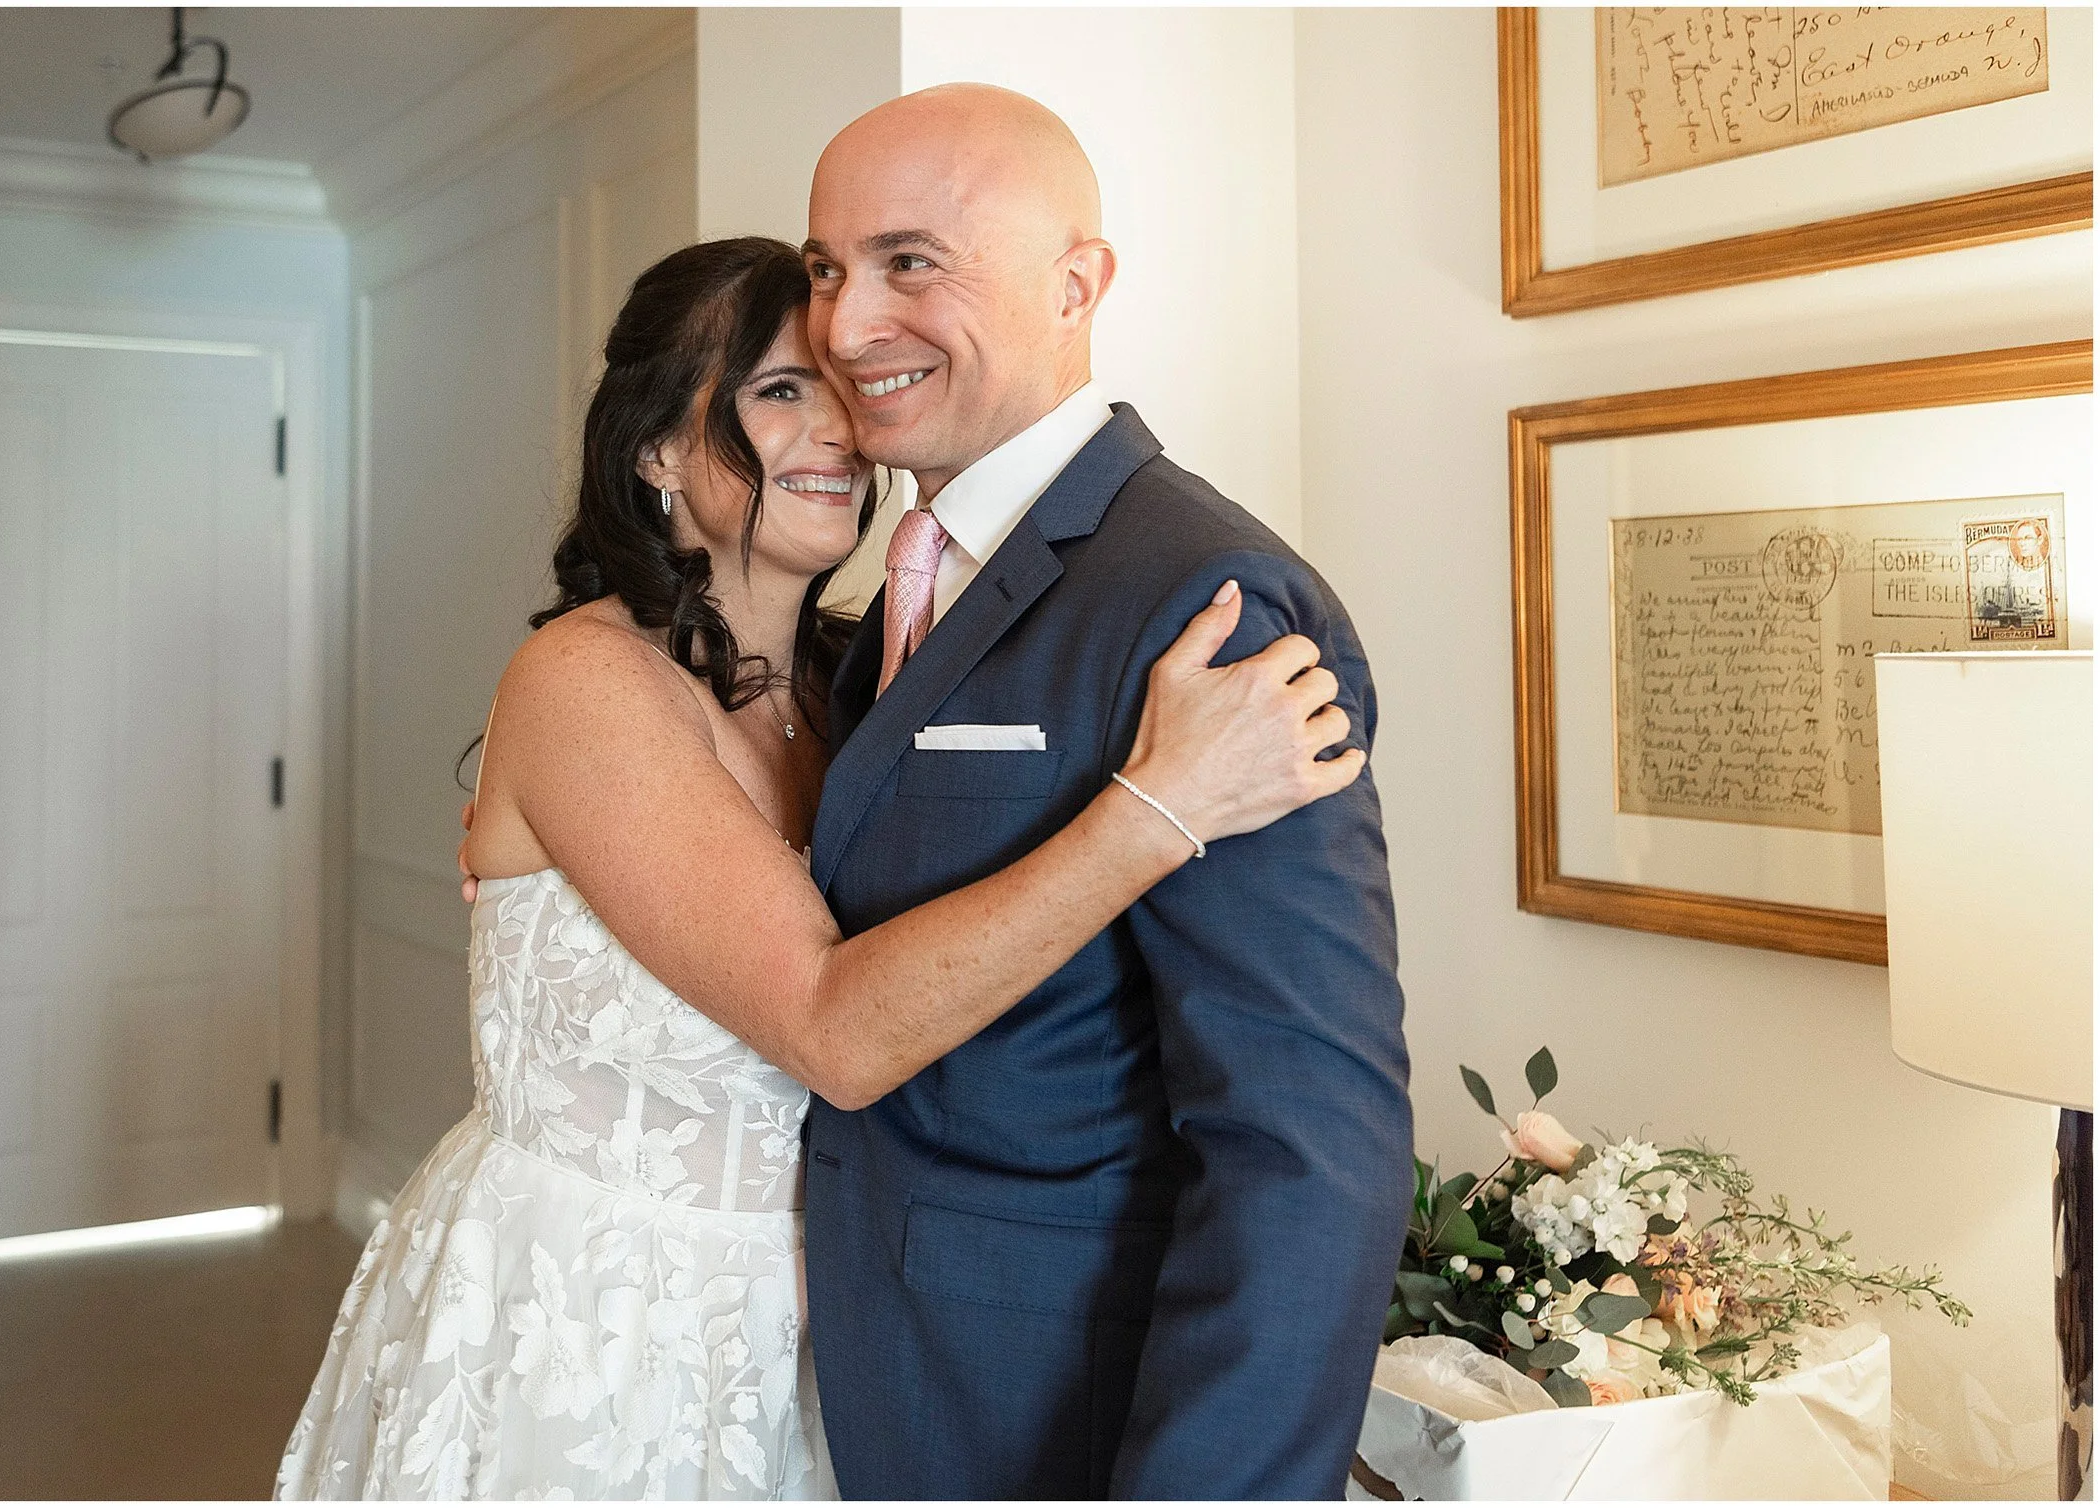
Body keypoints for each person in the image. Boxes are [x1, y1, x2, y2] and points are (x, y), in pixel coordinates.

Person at [275, 238, 1359, 1499]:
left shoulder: (868, 682)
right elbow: (834, 1029)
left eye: (844, 390)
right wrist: (1160, 804)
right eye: (781, 390)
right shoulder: (587, 681)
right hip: (597, 1329)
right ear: (655, 447)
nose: (839, 430)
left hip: (832, 1338)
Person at [797, 85, 1414, 1498]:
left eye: (909, 262)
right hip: (882, 1390)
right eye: (826, 271)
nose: (844, 325)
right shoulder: (900, 575)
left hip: (1057, 1419)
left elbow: (1304, 1144)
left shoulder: (1207, 600)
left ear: (1077, 285)